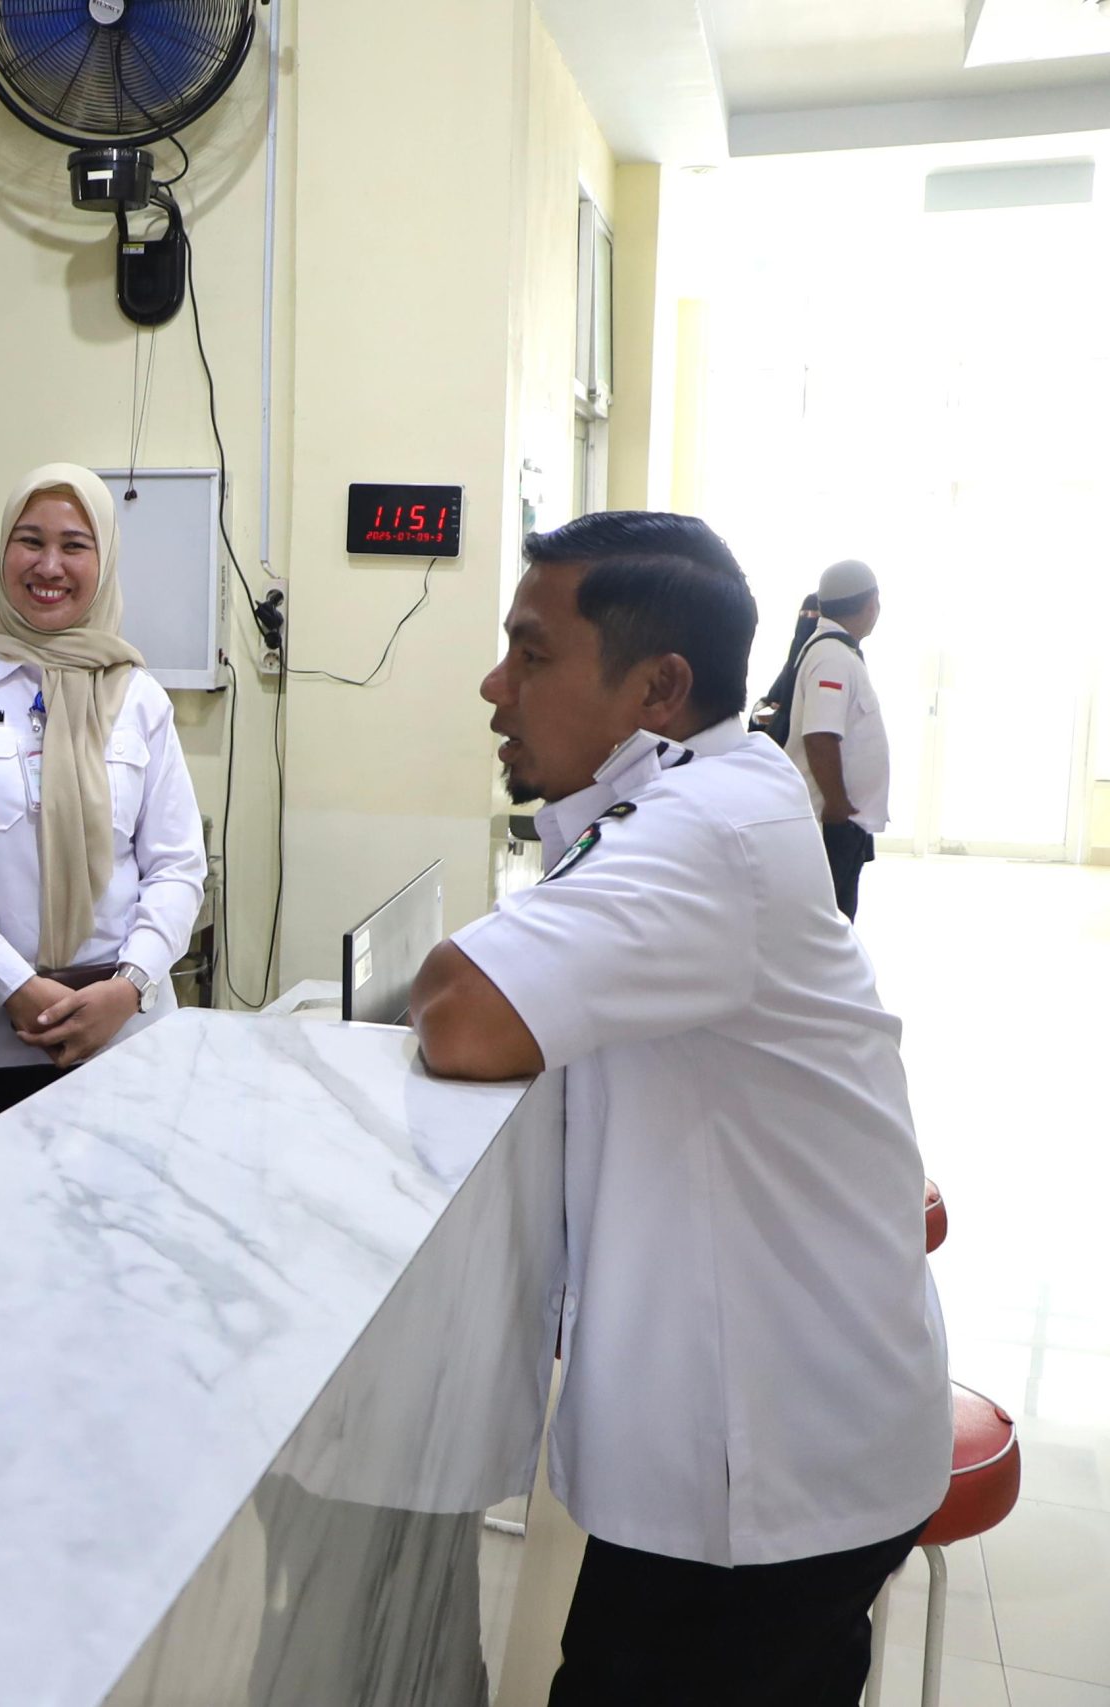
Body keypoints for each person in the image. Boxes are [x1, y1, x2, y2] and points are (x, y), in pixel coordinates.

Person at [408, 512, 948, 1707]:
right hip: (770, 1432)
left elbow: (460, 1013)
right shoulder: (709, 792)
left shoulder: (709, 831)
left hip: (770, 1467)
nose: (495, 686)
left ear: (657, 688)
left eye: (531, 654)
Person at [0, 463, 205, 1147]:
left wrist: (129, 986)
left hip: (122, 1036)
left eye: (74, 545)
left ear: (103, 561)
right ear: (3, 551)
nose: (49, 565)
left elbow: (177, 867)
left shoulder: (139, 699)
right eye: (30, 541)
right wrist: (15, 985)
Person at [787, 559, 887, 921]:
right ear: (872, 603)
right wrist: (838, 805)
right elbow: (820, 736)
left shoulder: (838, 652)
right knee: (832, 920)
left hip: (842, 819)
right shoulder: (832, 657)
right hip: (831, 820)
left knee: (837, 916)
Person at [748, 591, 820, 745]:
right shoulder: (793, 664)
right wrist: (768, 713)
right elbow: (766, 702)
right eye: (804, 614)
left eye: (815, 614)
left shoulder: (825, 664)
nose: (808, 618)